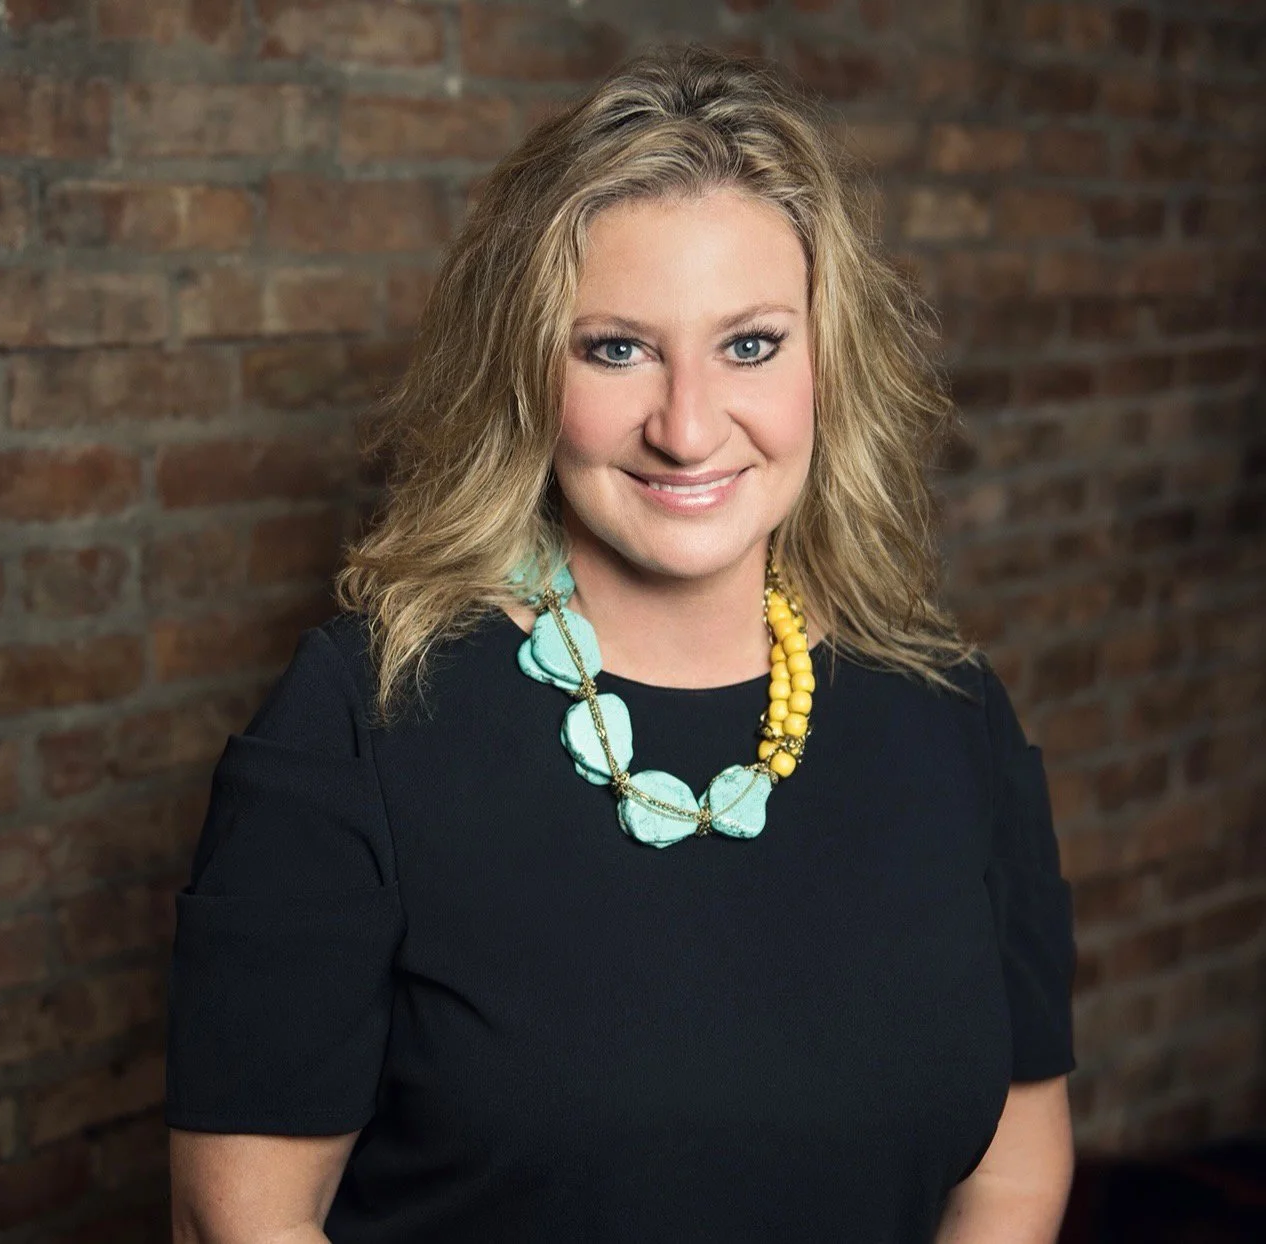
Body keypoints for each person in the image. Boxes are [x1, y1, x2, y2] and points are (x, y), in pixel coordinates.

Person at [165, 42, 1077, 1244]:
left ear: (826, 362)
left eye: (750, 344)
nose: (688, 426)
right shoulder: (362, 722)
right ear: (525, 373)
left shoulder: (951, 717)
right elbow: (241, 1222)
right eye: (616, 347)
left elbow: (1013, 1178)